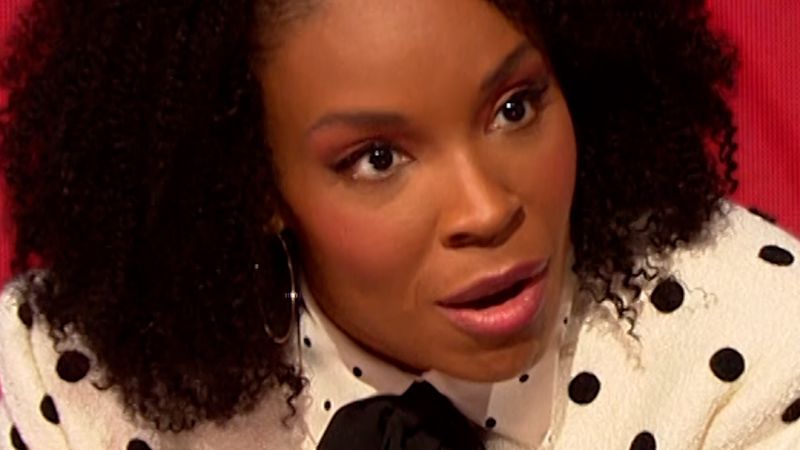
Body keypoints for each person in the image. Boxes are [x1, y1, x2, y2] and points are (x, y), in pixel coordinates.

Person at [0, 0, 797, 448]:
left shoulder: (756, 344)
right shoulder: (60, 386)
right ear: (253, 182)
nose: (487, 208)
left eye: (515, 108)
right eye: (377, 158)